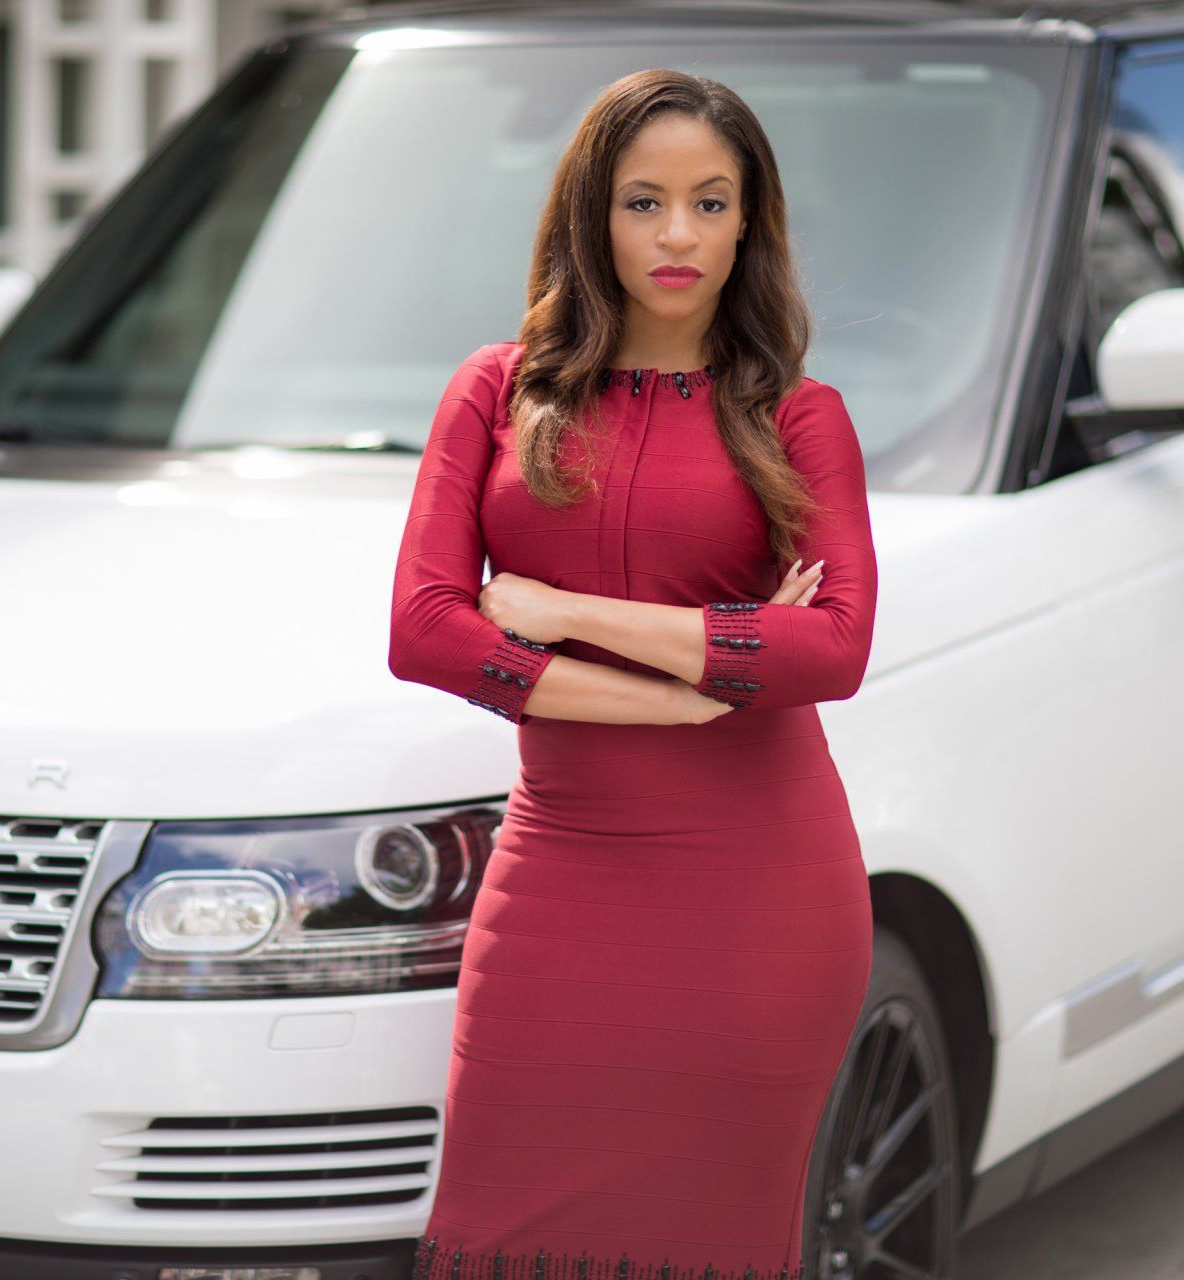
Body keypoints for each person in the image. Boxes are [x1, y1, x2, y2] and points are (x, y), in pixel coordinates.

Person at [387, 68, 878, 1280]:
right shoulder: (497, 390)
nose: (676, 235)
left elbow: (832, 648)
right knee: (500, 1233)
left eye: (712, 204)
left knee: (715, 1243)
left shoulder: (801, 418)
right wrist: (692, 684)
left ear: (749, 225)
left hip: (758, 888)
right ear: (589, 217)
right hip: (556, 870)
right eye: (643, 201)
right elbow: (424, 628)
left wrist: (559, 612)